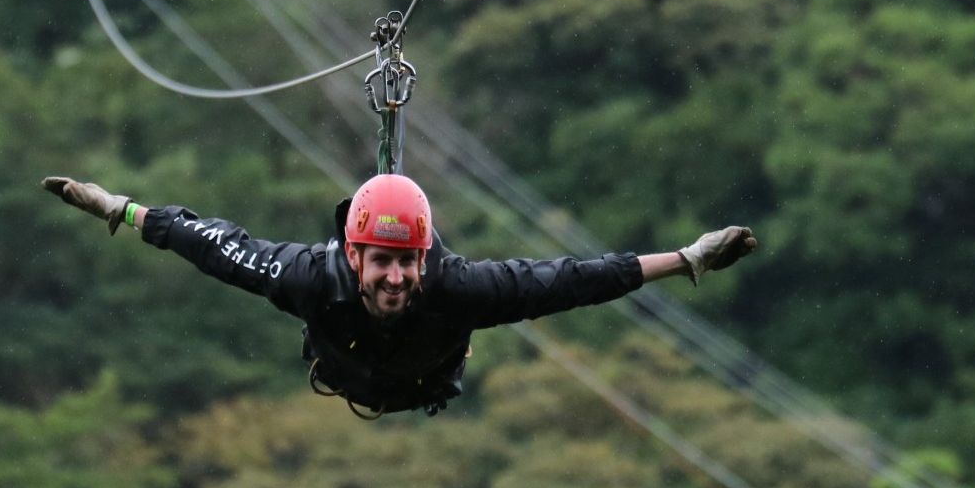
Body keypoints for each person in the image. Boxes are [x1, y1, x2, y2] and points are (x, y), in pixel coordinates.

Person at [41, 173, 757, 418]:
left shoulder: (462, 290)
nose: (394, 279)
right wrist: (123, 211)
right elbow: (212, 244)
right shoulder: (305, 279)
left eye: (406, 263)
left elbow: (574, 280)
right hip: (345, 370)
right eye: (381, 263)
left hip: (426, 380)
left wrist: (686, 260)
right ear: (354, 255)